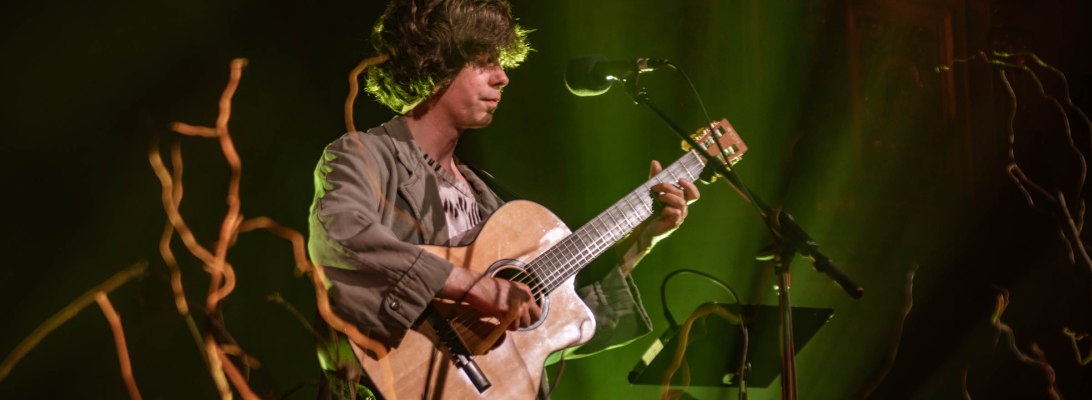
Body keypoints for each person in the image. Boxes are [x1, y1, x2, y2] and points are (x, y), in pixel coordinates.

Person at [306, 0, 699, 398]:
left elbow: (551, 331)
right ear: (433, 63)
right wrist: (475, 286)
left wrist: (642, 239)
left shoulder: (489, 198)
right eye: (484, 62)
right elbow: (342, 238)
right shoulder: (365, 155)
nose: (503, 77)